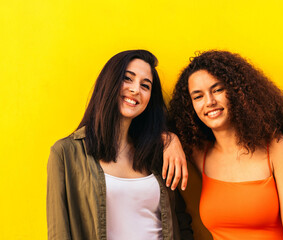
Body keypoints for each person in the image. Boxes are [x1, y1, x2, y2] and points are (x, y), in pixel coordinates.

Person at [47, 50, 193, 240]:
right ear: (109, 83)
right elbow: (59, 232)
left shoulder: (157, 153)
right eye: (127, 78)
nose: (135, 90)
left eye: (145, 86)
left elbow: (180, 220)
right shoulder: (66, 153)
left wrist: (171, 138)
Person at [169, 50, 283, 240]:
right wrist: (169, 139)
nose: (209, 102)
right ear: (190, 108)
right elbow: (151, 127)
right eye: (198, 96)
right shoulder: (199, 153)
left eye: (217, 90)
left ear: (238, 92)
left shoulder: (276, 147)